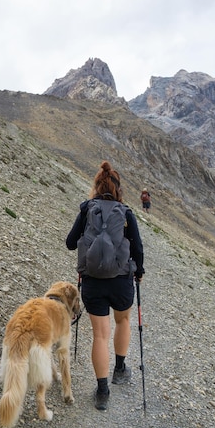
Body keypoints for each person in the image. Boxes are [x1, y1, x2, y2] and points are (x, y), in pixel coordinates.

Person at [66, 161, 145, 411]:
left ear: (96, 187)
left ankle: (102, 392)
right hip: (121, 281)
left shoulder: (87, 209)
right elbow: (138, 248)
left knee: (100, 335)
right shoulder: (125, 213)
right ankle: (120, 370)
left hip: (93, 283)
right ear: (118, 189)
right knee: (122, 321)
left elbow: (70, 242)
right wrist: (138, 272)